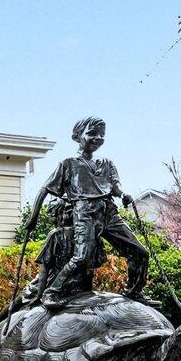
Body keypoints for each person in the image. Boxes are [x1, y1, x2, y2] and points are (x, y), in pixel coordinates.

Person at [38, 116, 150, 307]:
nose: (98, 138)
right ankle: (51, 292)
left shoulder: (107, 163)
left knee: (140, 252)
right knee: (82, 257)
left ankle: (134, 291)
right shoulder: (69, 163)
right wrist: (32, 219)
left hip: (109, 213)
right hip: (85, 213)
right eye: (92, 133)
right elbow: (45, 190)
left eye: (102, 135)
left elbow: (115, 186)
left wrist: (123, 194)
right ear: (77, 136)